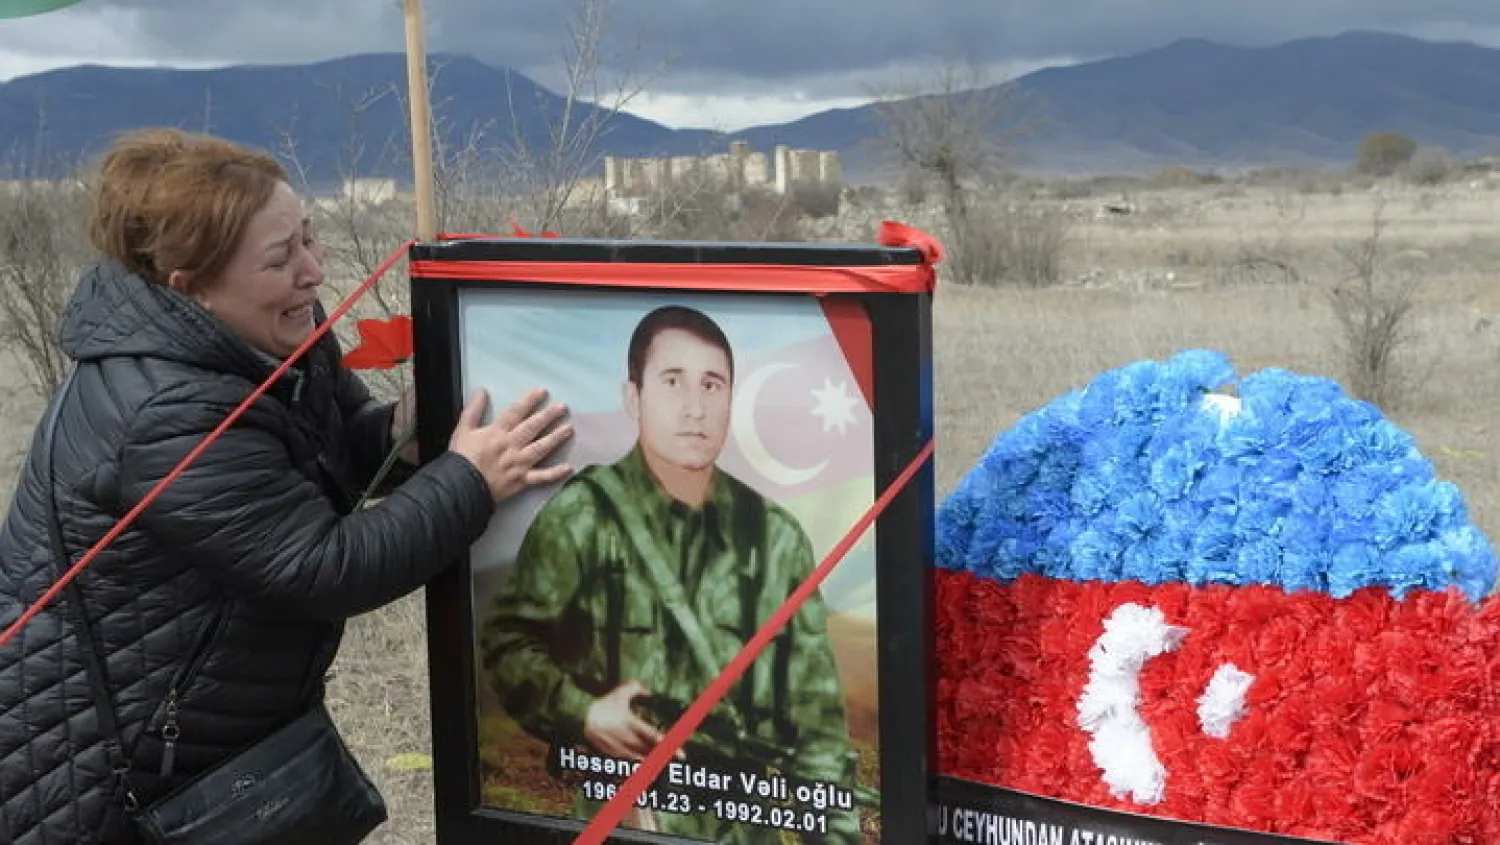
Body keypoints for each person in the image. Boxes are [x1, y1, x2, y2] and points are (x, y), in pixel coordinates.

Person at [0, 128, 574, 845]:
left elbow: (320, 451)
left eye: (309, 237)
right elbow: (320, 565)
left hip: (208, 732)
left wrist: (401, 431)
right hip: (99, 766)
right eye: (281, 257)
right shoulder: (164, 413)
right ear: (193, 287)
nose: (313, 270)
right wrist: (470, 480)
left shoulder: (266, 335)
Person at [479, 305, 860, 844]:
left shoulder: (775, 537)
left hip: (748, 829)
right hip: (626, 820)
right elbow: (507, 644)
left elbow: (816, 719)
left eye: (712, 385)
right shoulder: (585, 517)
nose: (694, 408)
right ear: (633, 398)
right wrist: (583, 714)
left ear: (732, 399)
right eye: (673, 382)